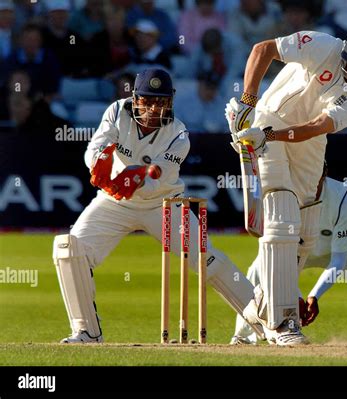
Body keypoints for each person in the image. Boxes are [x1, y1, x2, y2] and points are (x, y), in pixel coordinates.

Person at [52, 69, 261, 343]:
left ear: (170, 102)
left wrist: (134, 179)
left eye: (160, 102)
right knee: (69, 250)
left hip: (164, 204)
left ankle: (268, 322)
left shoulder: (179, 134)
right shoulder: (117, 111)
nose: (153, 109)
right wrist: (99, 164)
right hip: (114, 201)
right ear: (135, 98)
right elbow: (94, 148)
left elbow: (157, 177)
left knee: (207, 258)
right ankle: (86, 331)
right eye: (147, 101)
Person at [225, 25, 347, 345]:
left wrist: (270, 136)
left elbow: (318, 126)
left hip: (309, 140)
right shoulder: (322, 44)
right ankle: (283, 322)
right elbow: (263, 49)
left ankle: (259, 307)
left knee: (306, 235)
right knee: (282, 215)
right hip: (270, 117)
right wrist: (248, 103)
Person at [231, 163, 347, 345]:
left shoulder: (342, 198)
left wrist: (314, 296)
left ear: (324, 175)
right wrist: (295, 297)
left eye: (314, 175)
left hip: (339, 250)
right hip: (293, 250)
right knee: (256, 271)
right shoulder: (282, 196)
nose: (308, 181)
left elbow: (338, 260)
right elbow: (278, 259)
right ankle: (244, 338)